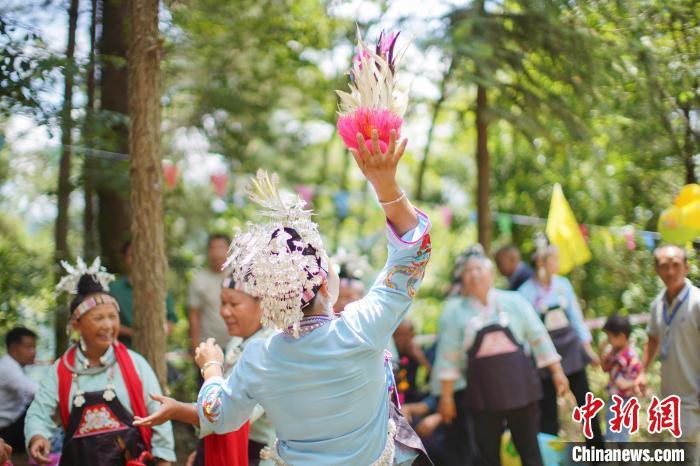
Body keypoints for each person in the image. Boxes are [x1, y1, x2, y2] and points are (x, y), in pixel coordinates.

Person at [191, 129, 431, 464]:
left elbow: (219, 415)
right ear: (322, 283)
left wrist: (213, 369)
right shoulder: (360, 327)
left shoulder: (259, 356)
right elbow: (412, 256)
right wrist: (385, 184)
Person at [25, 257, 175, 466]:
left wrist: (164, 460)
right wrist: (37, 436)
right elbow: (39, 413)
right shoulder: (62, 369)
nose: (108, 325)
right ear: (76, 325)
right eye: (98, 318)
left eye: (112, 317)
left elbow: (159, 415)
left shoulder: (135, 364)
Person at [434, 247, 568, 466]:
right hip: (482, 394)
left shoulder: (514, 301)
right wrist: (446, 396)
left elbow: (538, 337)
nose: (474, 274)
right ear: (463, 280)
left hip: (520, 390)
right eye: (468, 271)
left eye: (479, 268)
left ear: (491, 274)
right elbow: (448, 356)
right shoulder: (454, 312)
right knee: (487, 457)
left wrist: (557, 371)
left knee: (530, 452)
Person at [134, 276, 276, 466]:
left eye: (233, 303)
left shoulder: (269, 349)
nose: (224, 311)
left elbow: (233, 415)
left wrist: (210, 367)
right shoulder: (237, 342)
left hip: (256, 455)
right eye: (222, 303)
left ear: (263, 303)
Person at [517, 244, 603, 445]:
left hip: (571, 350)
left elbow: (576, 318)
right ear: (541, 262)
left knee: (586, 405)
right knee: (548, 411)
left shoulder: (563, 284)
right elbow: (526, 331)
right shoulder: (525, 292)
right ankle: (550, 457)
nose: (557, 263)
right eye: (553, 259)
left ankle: (598, 453)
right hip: (543, 355)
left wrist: (588, 350)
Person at [638, 244, 700, 445]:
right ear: (657, 270)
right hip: (672, 397)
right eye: (664, 266)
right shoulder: (658, 304)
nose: (670, 271)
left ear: (686, 267)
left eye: (675, 265)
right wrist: (642, 371)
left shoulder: (697, 302)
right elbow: (653, 338)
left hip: (694, 396)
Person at [111, 240, 178, 348]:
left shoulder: (161, 290)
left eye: (140, 255)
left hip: (155, 350)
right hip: (123, 351)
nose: (137, 260)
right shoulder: (113, 289)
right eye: (132, 255)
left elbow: (170, 321)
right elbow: (108, 322)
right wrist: (133, 333)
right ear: (125, 259)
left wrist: (157, 334)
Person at [600, 314, 641, 442]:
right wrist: (602, 352)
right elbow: (605, 368)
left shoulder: (625, 357)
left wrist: (632, 383)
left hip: (623, 401)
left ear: (622, 337)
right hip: (616, 399)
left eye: (610, 337)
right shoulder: (616, 352)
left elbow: (625, 382)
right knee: (614, 434)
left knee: (618, 436)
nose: (609, 340)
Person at [188, 234, 232, 352]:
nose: (217, 252)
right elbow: (194, 314)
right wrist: (195, 345)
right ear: (208, 252)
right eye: (213, 248)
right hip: (208, 345)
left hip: (235, 343)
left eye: (221, 247)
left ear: (229, 251)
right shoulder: (199, 279)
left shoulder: (238, 277)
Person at [0, 327, 39, 454]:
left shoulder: (15, 366)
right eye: (29, 347)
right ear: (14, 348)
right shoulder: (8, 368)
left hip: (12, 424)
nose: (34, 352)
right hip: (5, 430)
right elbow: (36, 392)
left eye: (34, 347)